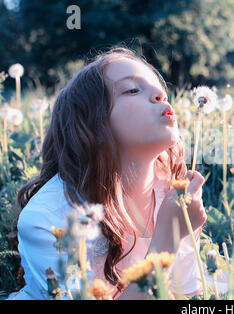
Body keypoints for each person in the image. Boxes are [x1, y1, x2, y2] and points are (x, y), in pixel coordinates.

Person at [7, 46, 208, 300]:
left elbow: (186, 294)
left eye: (161, 90)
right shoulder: (47, 219)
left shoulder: (171, 191)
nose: (160, 94)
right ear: (91, 124)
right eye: (133, 90)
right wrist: (166, 239)